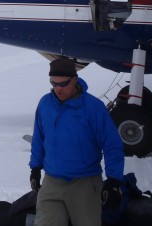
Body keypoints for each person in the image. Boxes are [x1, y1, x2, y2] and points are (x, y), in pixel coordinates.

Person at [29, 57, 125, 226]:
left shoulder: (93, 107)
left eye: (63, 84)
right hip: (52, 181)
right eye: (54, 83)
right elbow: (38, 138)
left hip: (85, 182)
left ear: (74, 80)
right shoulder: (45, 104)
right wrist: (35, 168)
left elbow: (112, 145)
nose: (58, 88)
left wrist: (114, 180)